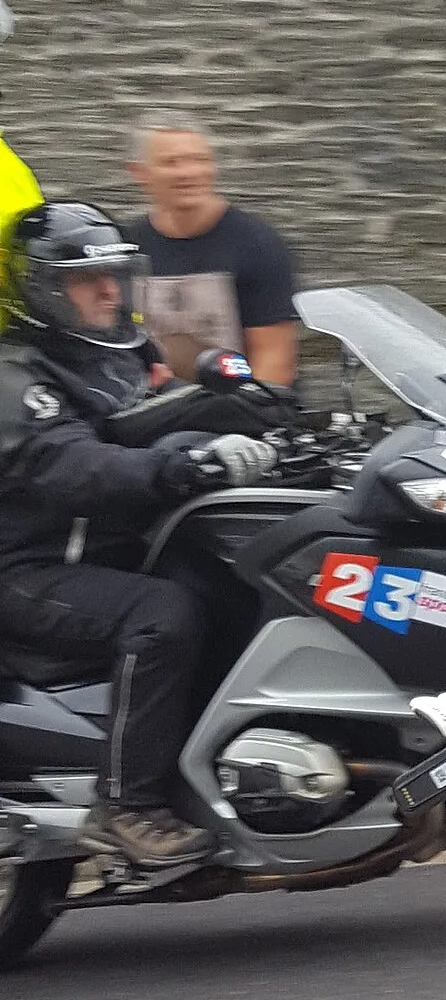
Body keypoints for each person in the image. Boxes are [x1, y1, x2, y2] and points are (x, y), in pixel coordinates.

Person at [0, 204, 277, 873]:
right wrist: (184, 466)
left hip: (102, 552)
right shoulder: (16, 376)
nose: (107, 291)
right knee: (163, 613)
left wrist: (273, 422)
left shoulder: (116, 356)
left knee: (233, 579)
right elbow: (76, 466)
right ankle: (126, 806)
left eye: (115, 275)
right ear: (39, 288)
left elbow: (163, 414)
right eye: (84, 279)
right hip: (27, 568)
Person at [129, 114, 298, 387]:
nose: (189, 173)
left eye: (200, 160)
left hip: (243, 414)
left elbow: (273, 361)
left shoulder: (257, 244)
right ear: (139, 173)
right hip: (155, 414)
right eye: (171, 162)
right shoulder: (128, 249)